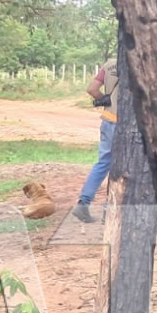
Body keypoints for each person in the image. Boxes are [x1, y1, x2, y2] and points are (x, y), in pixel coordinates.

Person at [69, 59, 119, 224]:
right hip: (127, 125)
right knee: (125, 168)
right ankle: (109, 211)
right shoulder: (140, 61)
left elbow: (91, 89)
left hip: (108, 120)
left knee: (103, 163)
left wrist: (106, 99)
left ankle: (83, 203)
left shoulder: (109, 64)